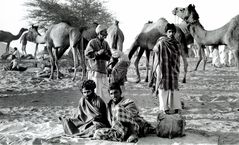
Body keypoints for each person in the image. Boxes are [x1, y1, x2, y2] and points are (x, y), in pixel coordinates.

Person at [152, 23, 182, 114]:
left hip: (173, 69)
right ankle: (164, 108)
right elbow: (155, 50)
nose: (171, 33)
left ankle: (176, 107)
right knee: (163, 88)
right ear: (166, 32)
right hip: (163, 68)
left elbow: (177, 56)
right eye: (169, 31)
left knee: (174, 88)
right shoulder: (161, 42)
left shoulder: (176, 43)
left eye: (173, 32)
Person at [85, 24, 112, 101]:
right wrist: (97, 53)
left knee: (105, 91)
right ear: (99, 32)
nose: (106, 34)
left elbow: (110, 56)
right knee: (97, 91)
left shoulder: (105, 43)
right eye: (104, 32)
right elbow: (87, 54)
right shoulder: (92, 42)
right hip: (95, 70)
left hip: (103, 70)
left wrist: (106, 54)